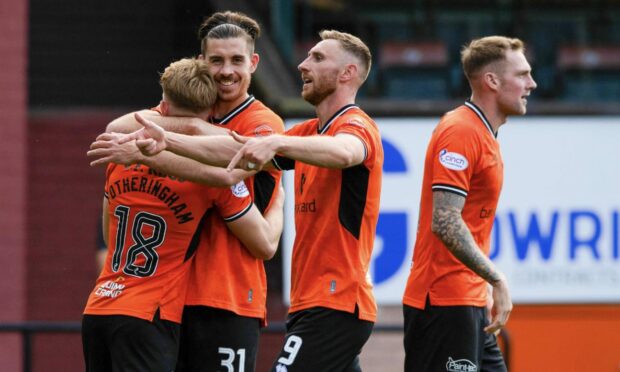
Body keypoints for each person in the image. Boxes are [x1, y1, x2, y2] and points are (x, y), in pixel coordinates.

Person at [112, 29, 383, 372]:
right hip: (311, 301)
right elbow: (237, 150)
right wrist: (169, 140)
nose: (302, 64)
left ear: (348, 73)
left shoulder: (356, 125)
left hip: (337, 299)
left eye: (317, 58)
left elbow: (346, 153)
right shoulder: (307, 132)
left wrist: (277, 145)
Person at [88, 12, 285, 371]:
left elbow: (239, 162)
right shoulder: (182, 110)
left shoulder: (263, 122)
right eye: (217, 60)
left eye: (237, 60)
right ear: (200, 62)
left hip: (228, 294)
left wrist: (157, 147)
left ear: (254, 63)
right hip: (170, 302)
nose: (227, 71)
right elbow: (115, 126)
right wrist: (187, 126)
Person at [402, 35, 537, 371]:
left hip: (468, 297)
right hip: (444, 301)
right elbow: (445, 220)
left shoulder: (482, 132)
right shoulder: (461, 130)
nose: (531, 84)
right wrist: (497, 279)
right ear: (491, 80)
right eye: (522, 74)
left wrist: (484, 284)